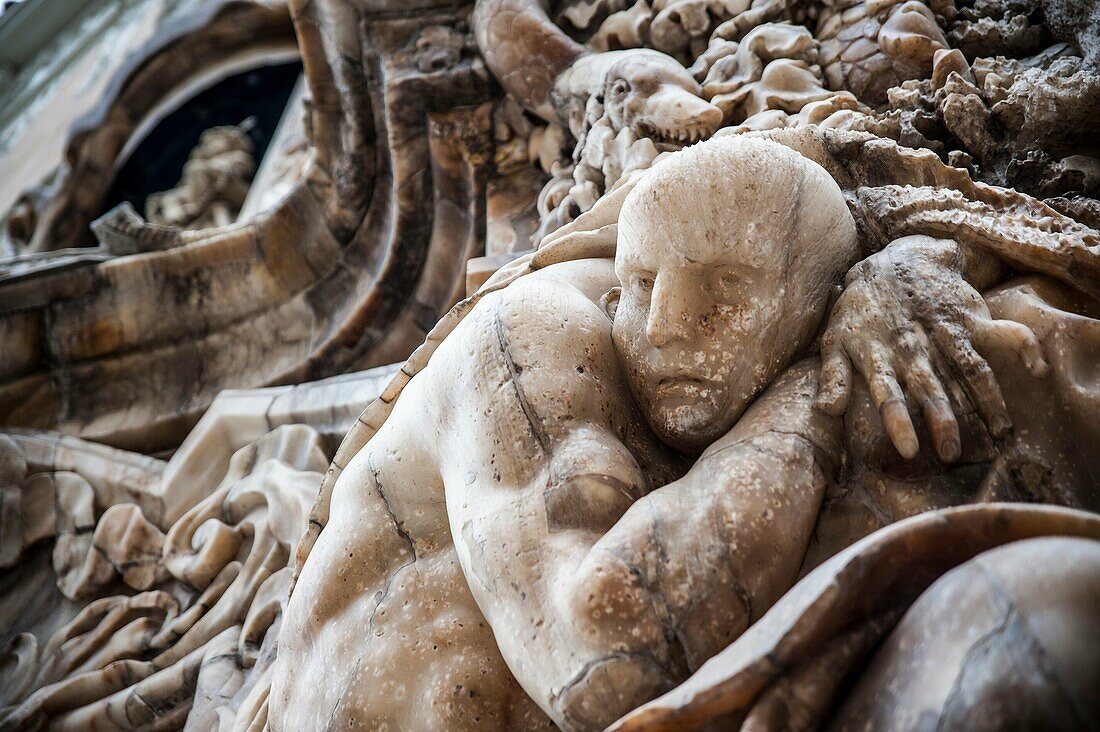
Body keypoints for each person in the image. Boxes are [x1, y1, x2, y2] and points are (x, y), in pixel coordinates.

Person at [271, 135, 1100, 730]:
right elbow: (602, 660)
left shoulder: (792, 334)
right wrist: (820, 383)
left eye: (722, 288)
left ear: (813, 302)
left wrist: (901, 270)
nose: (664, 326)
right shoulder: (529, 340)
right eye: (639, 284)